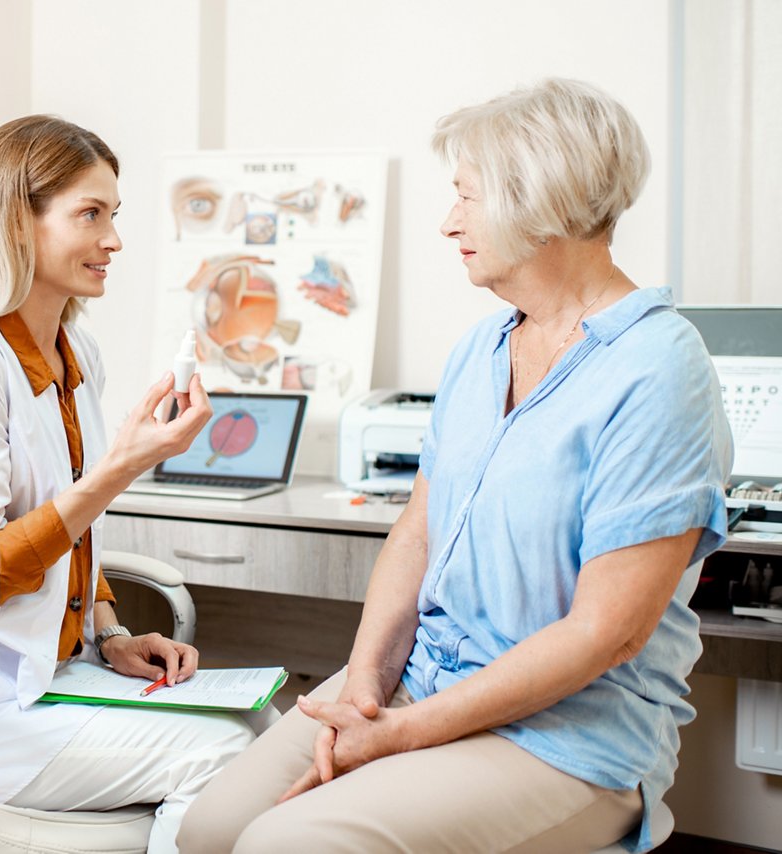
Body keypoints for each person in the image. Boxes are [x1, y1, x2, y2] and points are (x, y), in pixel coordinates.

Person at [178, 79, 732, 854]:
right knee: (206, 833)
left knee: (288, 845)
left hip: (565, 738)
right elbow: (417, 533)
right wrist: (367, 687)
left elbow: (605, 634)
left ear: (537, 200)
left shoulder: (658, 371)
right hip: (418, 683)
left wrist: (401, 736)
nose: (448, 223)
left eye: (467, 198)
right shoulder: (482, 350)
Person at [0, 115, 256, 854]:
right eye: (90, 215)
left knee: (265, 728)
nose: (114, 240)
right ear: (17, 224)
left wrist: (113, 633)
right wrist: (121, 466)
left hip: (51, 678)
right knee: (225, 757)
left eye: (114, 215)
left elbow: (72, 539)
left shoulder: (75, 350)